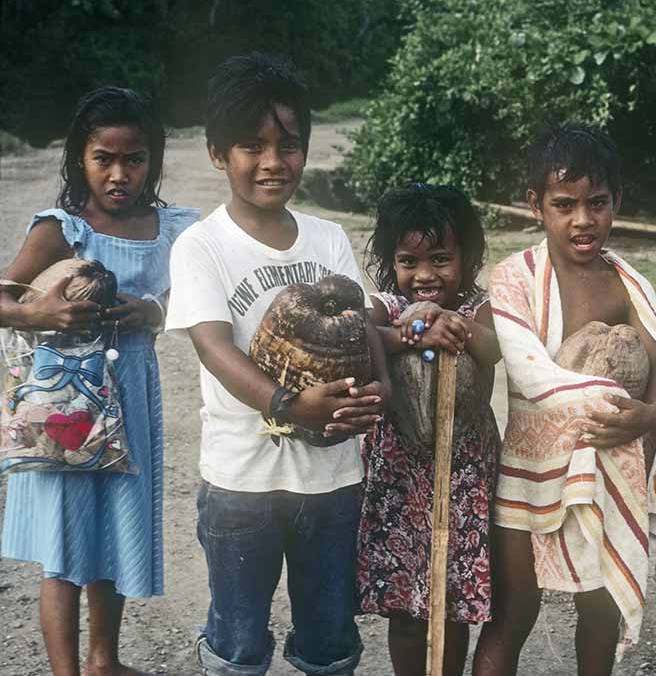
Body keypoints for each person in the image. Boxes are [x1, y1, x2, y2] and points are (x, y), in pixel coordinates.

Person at [165, 52, 387, 676]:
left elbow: (366, 333)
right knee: (238, 644)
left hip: (332, 482)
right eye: (250, 145)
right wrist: (288, 406)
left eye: (288, 145)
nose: (272, 161)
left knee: (329, 640)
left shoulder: (328, 239)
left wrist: (381, 395)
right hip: (242, 484)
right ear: (217, 154)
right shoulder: (202, 245)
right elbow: (213, 346)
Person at [0, 86, 198, 676]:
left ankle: (102, 661)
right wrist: (37, 314)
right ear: (78, 161)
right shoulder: (61, 229)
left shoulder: (170, 229)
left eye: (133, 159)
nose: (118, 174)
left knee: (113, 530)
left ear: (152, 160)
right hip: (64, 403)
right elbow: (5, 295)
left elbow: (187, 302)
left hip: (131, 400)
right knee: (64, 545)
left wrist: (154, 313)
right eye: (102, 159)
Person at [474, 124, 656, 675]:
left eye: (598, 203)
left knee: (600, 606)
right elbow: (529, 370)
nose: (583, 220)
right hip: (528, 466)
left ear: (618, 202)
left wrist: (651, 414)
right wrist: (618, 407)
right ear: (535, 205)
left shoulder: (627, 283)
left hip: (603, 467)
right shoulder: (513, 277)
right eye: (564, 205)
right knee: (514, 612)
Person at [356, 182, 502, 676]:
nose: (424, 275)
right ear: (391, 262)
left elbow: (494, 346)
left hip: (462, 471)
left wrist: (450, 322)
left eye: (440, 259)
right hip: (399, 471)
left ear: (467, 257)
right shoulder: (385, 307)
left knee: (452, 594)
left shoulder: (480, 306)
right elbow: (360, 333)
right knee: (405, 601)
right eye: (408, 261)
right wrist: (413, 331)